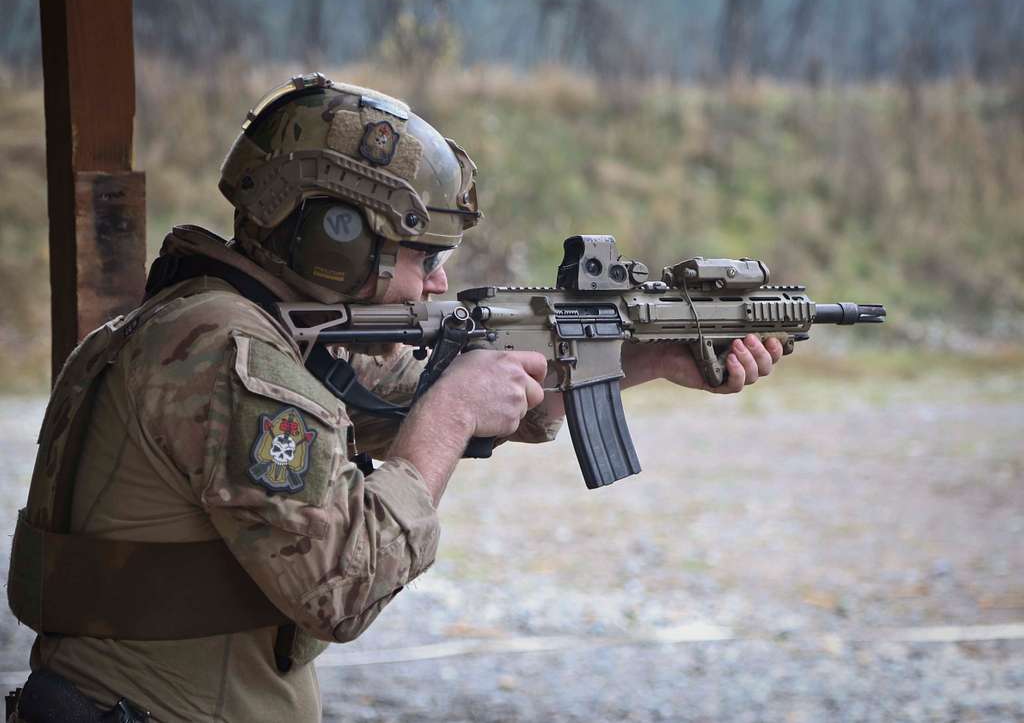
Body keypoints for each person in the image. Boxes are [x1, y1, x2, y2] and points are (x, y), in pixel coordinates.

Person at [7, 74, 783, 722]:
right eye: (423, 253)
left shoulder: (206, 329)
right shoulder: (230, 359)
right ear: (336, 238)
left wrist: (645, 357)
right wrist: (447, 416)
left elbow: (460, 397)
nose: (439, 281)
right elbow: (343, 585)